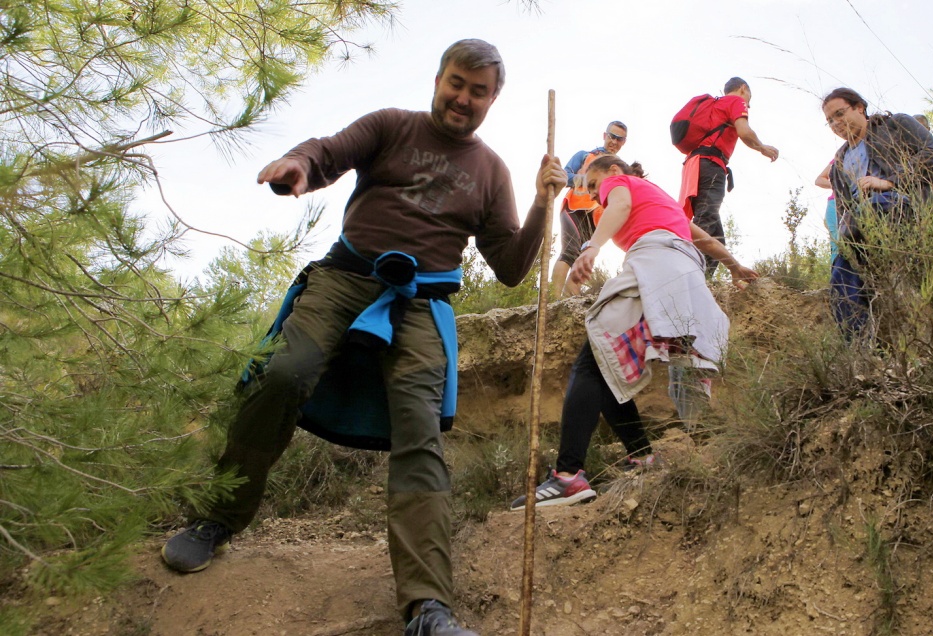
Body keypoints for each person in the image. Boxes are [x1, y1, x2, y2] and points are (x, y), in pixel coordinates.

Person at [160, 39, 567, 636]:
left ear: (493, 99)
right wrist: (299, 164)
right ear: (438, 78)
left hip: (422, 302)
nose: (464, 98)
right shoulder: (391, 127)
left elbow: (508, 267)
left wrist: (540, 202)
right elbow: (328, 151)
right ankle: (218, 520)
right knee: (283, 373)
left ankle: (428, 608)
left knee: (418, 427)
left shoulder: (491, 171)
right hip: (345, 277)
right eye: (457, 82)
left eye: (479, 91)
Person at [511, 156, 758, 509]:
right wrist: (735, 267)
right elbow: (702, 239)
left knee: (593, 357)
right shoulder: (662, 201)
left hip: (655, 266)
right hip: (687, 281)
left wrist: (591, 247)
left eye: (595, 187)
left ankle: (567, 477)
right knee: (609, 367)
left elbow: (620, 204)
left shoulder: (620, 183)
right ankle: (642, 457)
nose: (598, 198)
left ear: (613, 172)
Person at [821, 87, 933, 340]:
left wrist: (890, 182)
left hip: (904, 208)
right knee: (840, 278)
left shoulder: (896, 125)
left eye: (839, 113)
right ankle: (861, 351)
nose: (835, 123)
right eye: (830, 120)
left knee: (876, 204)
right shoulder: (840, 161)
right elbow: (844, 208)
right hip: (861, 228)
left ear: (859, 108)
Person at [678, 77, 780, 277]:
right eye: (749, 97)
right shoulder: (736, 101)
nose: (748, 104)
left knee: (715, 235)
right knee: (706, 219)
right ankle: (687, 276)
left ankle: (703, 281)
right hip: (710, 164)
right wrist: (762, 148)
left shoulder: (716, 105)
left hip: (695, 164)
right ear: (743, 89)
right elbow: (744, 131)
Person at [550, 121, 628, 297]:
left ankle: (572, 299)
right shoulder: (585, 155)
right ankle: (553, 300)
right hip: (574, 207)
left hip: (597, 216)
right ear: (604, 135)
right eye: (612, 136)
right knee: (570, 251)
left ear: (624, 142)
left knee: (584, 257)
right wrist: (589, 181)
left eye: (619, 139)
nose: (614, 142)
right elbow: (565, 175)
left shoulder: (620, 167)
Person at [815, 161, 839, 261]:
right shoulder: (841, 154)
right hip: (835, 204)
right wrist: (837, 185)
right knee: (837, 246)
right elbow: (819, 180)